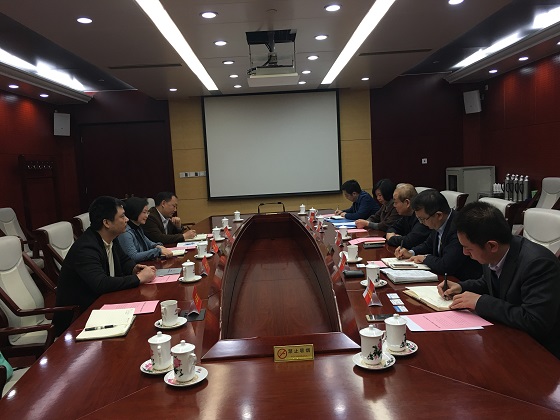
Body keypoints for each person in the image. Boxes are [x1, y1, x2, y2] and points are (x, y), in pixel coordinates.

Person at [438, 201, 560, 359]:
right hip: (506, 336)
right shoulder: (493, 252)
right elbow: (491, 282)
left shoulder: (538, 264)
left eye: (468, 248)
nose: (465, 253)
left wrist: (480, 302)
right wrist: (461, 287)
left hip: (538, 352)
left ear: (492, 246)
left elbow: (535, 321)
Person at [53, 196, 156, 335]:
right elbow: (100, 283)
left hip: (104, 307)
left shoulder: (110, 238)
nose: (127, 220)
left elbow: (124, 260)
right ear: (107, 223)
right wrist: (139, 278)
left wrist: (134, 268)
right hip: (78, 321)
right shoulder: (86, 248)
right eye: (122, 216)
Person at [395, 189, 481, 281]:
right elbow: (428, 245)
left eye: (423, 219)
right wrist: (411, 252)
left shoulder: (458, 228)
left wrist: (425, 258)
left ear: (438, 215)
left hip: (462, 281)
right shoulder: (438, 223)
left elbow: (446, 266)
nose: (421, 223)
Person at [118, 197, 174, 262]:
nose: (147, 216)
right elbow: (133, 256)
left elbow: (149, 243)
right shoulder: (125, 232)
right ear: (135, 212)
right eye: (144, 212)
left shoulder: (138, 227)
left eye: (147, 212)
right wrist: (158, 251)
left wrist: (158, 246)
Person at [385, 183, 431, 249]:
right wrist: (397, 237)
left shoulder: (422, 217)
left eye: (396, 202)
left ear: (407, 203)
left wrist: (392, 238)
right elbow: (392, 228)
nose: (394, 206)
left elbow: (410, 242)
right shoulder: (407, 215)